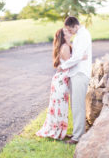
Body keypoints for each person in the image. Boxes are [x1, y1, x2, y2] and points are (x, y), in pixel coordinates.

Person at [36, 28, 86, 140]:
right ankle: (56, 131)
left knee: (59, 106)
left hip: (61, 79)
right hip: (61, 80)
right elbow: (69, 64)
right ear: (63, 36)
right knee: (59, 106)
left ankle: (59, 131)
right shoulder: (65, 47)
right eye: (67, 32)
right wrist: (82, 58)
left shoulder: (66, 46)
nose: (70, 32)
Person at [57, 16, 92, 145]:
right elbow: (78, 55)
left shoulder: (83, 35)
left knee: (78, 106)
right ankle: (78, 132)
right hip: (76, 73)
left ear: (74, 26)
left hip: (80, 73)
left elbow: (77, 57)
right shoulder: (79, 35)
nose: (68, 32)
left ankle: (78, 137)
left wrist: (63, 66)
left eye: (69, 29)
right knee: (75, 105)